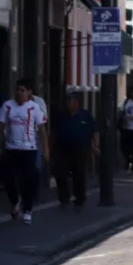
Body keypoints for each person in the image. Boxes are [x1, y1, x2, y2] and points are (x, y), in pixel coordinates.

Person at [0, 79, 49, 224]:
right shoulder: (7, 106)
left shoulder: (34, 108)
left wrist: (46, 150)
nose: (19, 93)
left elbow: (42, 131)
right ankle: (15, 201)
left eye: (22, 90)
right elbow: (1, 126)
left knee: (28, 181)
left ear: (29, 92)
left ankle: (27, 210)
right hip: (11, 149)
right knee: (8, 180)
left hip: (29, 149)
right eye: (18, 90)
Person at [53, 91, 97, 210]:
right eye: (66, 100)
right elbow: (54, 133)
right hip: (62, 148)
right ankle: (64, 198)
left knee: (79, 175)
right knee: (60, 173)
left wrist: (95, 146)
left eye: (70, 100)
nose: (67, 103)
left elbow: (94, 131)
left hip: (80, 149)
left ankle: (79, 200)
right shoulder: (61, 116)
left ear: (76, 102)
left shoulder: (85, 115)